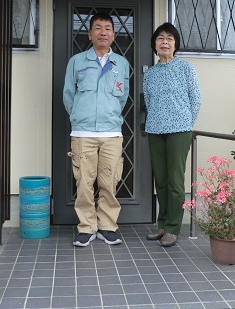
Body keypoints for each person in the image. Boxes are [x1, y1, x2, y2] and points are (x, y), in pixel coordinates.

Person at [63, 13, 130, 247]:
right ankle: (86, 227)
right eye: (98, 28)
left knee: (109, 182)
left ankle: (107, 226)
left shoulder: (121, 64)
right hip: (83, 133)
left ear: (113, 34)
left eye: (108, 28)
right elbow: (68, 95)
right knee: (84, 182)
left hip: (111, 133)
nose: (103, 32)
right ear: (90, 34)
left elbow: (123, 98)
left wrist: (110, 117)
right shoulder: (77, 61)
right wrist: (78, 117)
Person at [143, 22, 201, 247]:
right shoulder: (151, 74)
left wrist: (185, 123)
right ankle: (162, 223)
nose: (164, 42)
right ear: (154, 45)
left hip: (179, 130)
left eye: (169, 38)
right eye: (160, 38)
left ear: (175, 44)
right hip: (155, 130)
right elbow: (149, 101)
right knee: (161, 181)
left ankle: (173, 228)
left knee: (175, 180)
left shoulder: (186, 68)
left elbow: (195, 100)